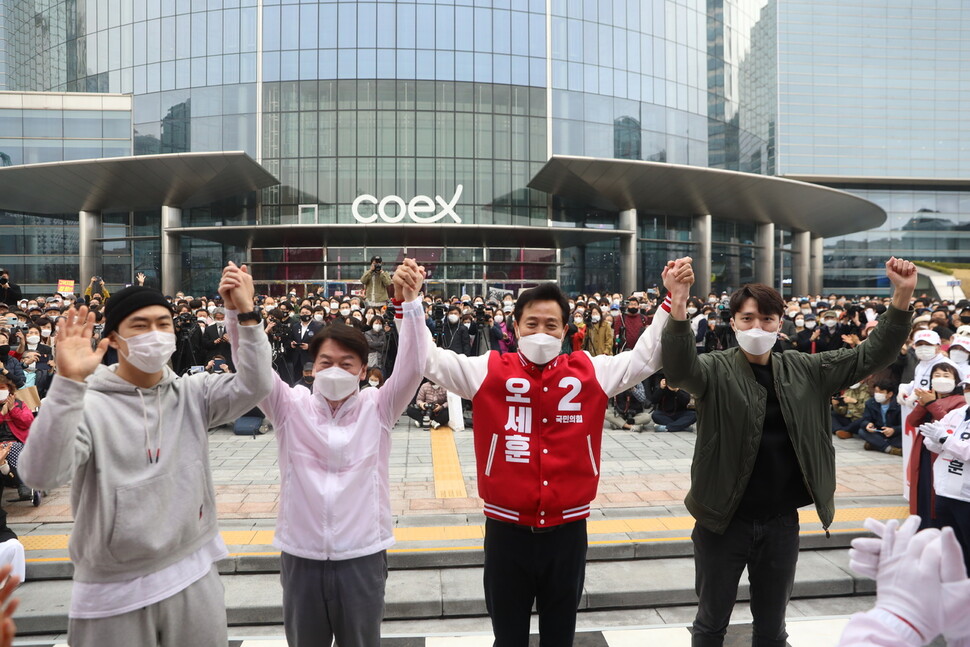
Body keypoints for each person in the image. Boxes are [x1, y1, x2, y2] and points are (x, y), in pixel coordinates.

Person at [424, 257, 694, 646]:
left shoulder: (589, 370)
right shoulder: (489, 369)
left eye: (551, 325)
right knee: (508, 637)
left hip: (567, 532)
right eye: (531, 323)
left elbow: (645, 358)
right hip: (506, 530)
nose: (541, 332)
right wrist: (410, 305)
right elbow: (430, 360)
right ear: (514, 327)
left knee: (559, 636)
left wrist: (672, 298)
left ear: (565, 330)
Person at [661, 257, 916, 647]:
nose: (757, 327)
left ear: (780, 324)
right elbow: (678, 371)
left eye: (766, 319)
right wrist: (678, 302)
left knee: (772, 627)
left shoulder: (806, 369)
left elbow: (870, 356)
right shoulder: (713, 368)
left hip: (780, 522)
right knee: (711, 623)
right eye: (747, 319)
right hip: (722, 521)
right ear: (732, 324)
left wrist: (901, 296)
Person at [18, 271, 274, 647]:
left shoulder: (193, 392)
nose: (155, 333)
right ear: (114, 339)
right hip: (113, 588)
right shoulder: (87, 402)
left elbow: (256, 384)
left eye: (163, 323)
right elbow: (40, 474)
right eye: (140, 325)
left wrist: (245, 316)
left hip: (193, 570)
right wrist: (67, 385)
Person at [224, 259, 429, 647]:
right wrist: (238, 313)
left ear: (363, 370)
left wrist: (411, 306)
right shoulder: (289, 406)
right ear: (312, 368)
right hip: (301, 555)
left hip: (363, 554)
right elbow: (253, 372)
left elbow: (414, 367)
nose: (335, 370)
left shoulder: (379, 407)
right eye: (326, 362)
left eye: (346, 363)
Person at [919, 391, 970, 572]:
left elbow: (967, 452)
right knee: (952, 548)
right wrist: (937, 439)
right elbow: (932, 442)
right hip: (945, 491)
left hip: (967, 498)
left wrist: (945, 438)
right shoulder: (959, 412)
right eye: (968, 388)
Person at [857, 380, 904, 455]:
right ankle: (889, 449)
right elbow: (865, 420)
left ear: (890, 394)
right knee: (862, 431)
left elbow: (905, 425)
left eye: (881, 392)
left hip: (895, 434)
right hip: (879, 432)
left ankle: (875, 444)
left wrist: (894, 430)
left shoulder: (899, 405)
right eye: (876, 391)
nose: (877, 394)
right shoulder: (870, 403)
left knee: (903, 440)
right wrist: (868, 424)